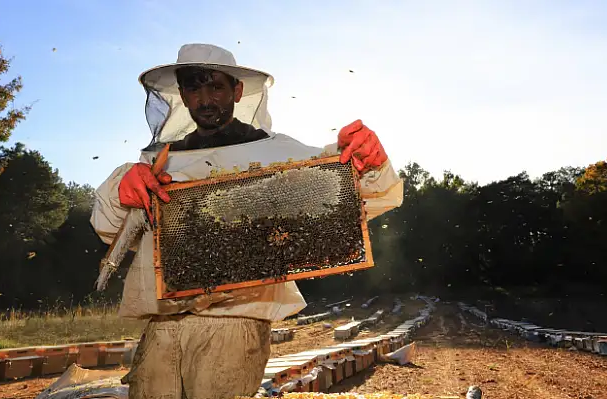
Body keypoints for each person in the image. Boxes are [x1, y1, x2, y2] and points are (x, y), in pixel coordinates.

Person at [90, 43, 404, 399]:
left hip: (234, 323)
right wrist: (122, 192)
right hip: (161, 327)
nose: (205, 98)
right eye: (194, 87)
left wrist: (368, 161)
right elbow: (107, 227)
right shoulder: (159, 161)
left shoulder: (274, 152)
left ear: (237, 91)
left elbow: (355, 193)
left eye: (216, 87)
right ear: (181, 94)